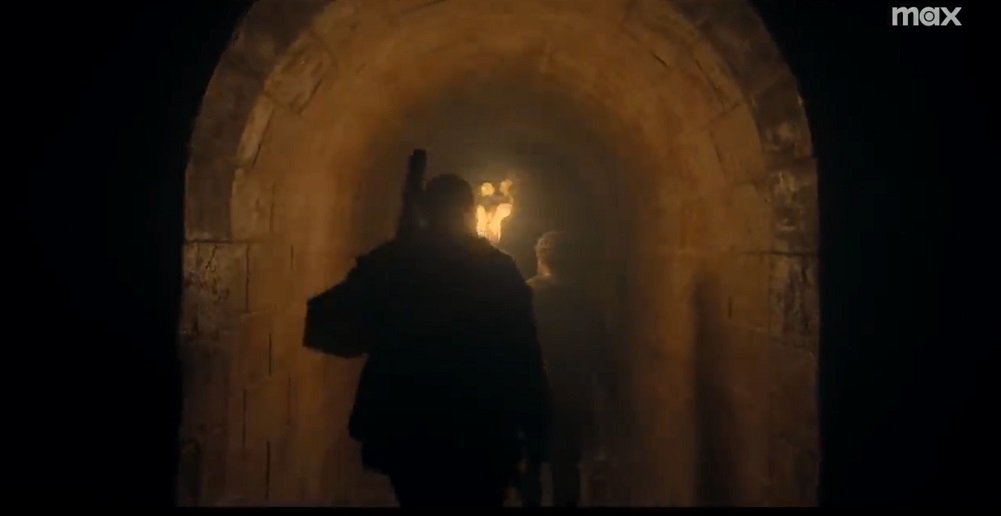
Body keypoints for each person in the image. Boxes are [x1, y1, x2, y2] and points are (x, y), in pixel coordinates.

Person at [320, 172, 551, 507]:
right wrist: (535, 433)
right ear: (468, 212)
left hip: (412, 427)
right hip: (483, 428)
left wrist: (389, 262)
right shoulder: (497, 269)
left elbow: (336, 328)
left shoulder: (396, 263)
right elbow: (523, 354)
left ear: (425, 211)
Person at [520, 230, 614, 507]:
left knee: (530, 467)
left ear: (541, 259)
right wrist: (609, 392)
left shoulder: (526, 294)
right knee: (566, 469)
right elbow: (598, 351)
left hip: (531, 393)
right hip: (571, 394)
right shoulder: (584, 300)